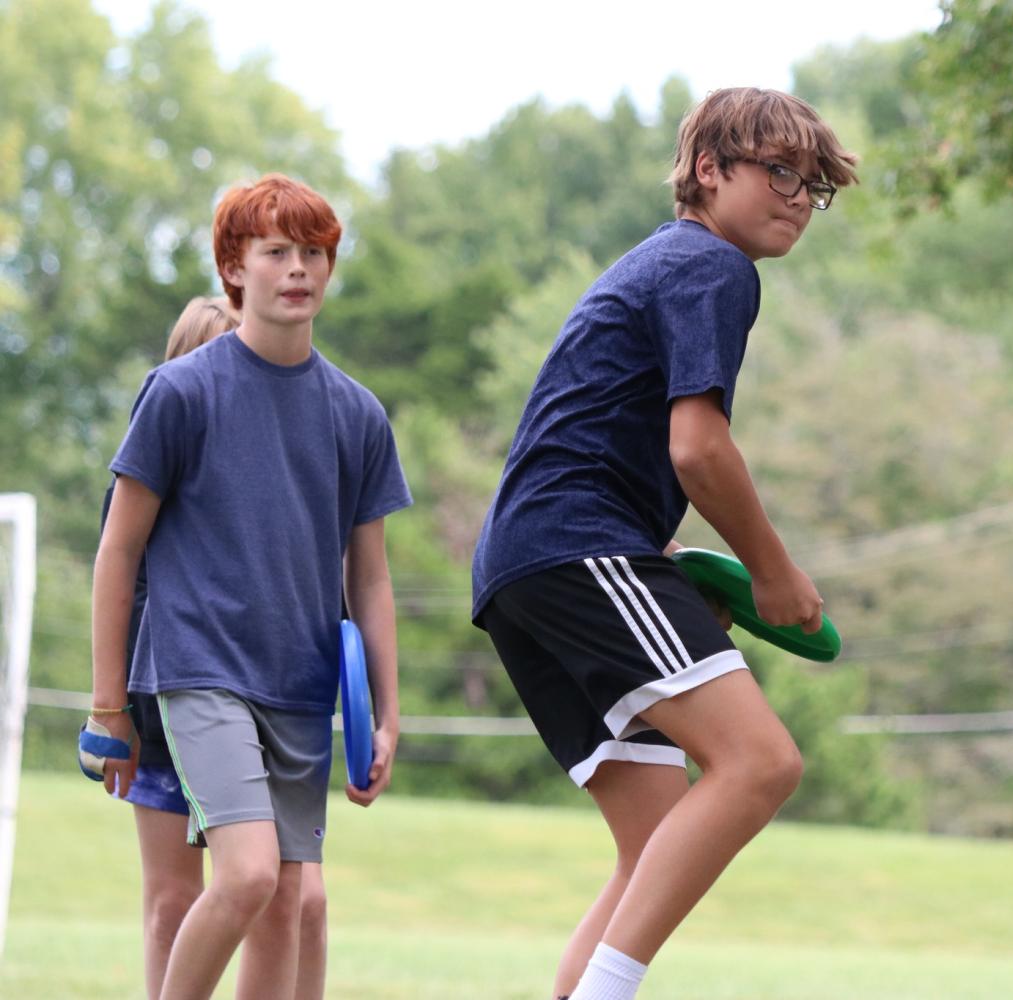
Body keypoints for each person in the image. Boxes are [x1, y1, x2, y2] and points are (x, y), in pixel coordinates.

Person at [470, 87, 857, 1000]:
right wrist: (772, 571)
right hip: (574, 545)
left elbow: (613, 434)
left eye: (814, 187)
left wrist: (666, 565)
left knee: (653, 846)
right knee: (762, 761)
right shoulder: (711, 267)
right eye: (779, 173)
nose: (799, 197)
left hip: (525, 567)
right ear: (710, 171)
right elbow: (698, 449)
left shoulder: (667, 264)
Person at [90, 173, 410, 1000]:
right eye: (276, 252)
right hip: (200, 673)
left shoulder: (357, 415)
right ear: (235, 268)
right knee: (244, 877)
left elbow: (368, 578)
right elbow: (118, 552)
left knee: (285, 902)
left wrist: (385, 710)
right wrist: (106, 705)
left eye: (314, 253)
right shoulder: (180, 393)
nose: (298, 269)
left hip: (301, 687)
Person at [90, 296, 331, 1000]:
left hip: (275, 702)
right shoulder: (158, 451)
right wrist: (113, 712)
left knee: (299, 902)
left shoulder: (293, 459)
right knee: (174, 901)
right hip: (169, 704)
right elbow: (122, 582)